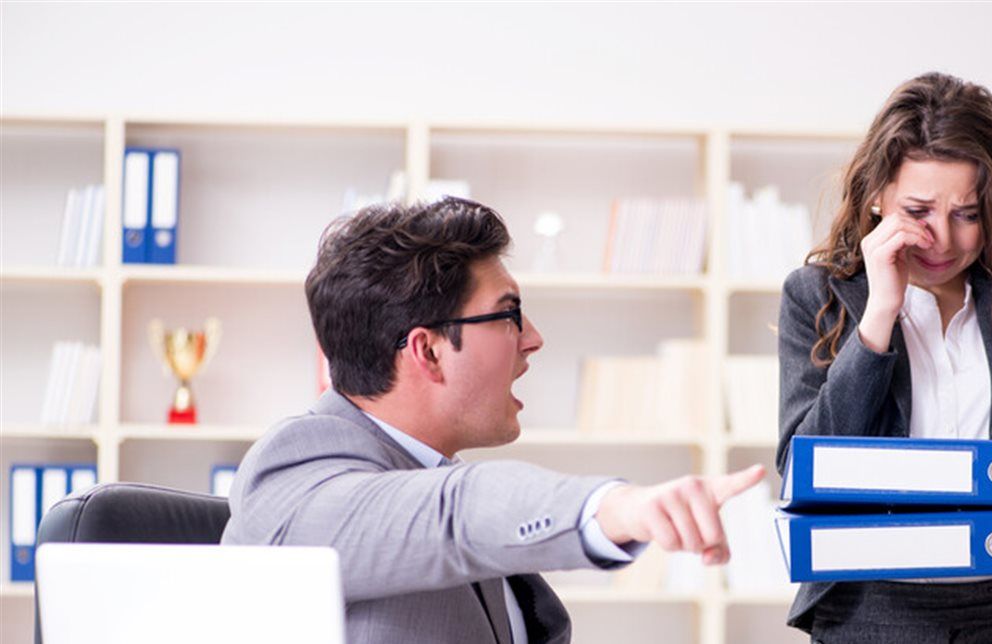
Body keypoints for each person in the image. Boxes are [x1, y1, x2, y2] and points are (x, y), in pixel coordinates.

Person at [221, 197, 765, 644]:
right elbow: (454, 511)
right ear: (428, 351)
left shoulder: (434, 474)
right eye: (509, 314)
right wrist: (611, 507)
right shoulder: (293, 468)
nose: (533, 338)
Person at [777, 72, 992, 643]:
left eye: (967, 214)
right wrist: (880, 315)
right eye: (918, 211)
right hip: (873, 613)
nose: (941, 238)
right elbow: (805, 469)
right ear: (875, 196)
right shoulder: (815, 296)